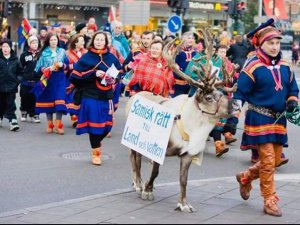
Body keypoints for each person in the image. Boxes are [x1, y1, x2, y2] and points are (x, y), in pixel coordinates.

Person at [234, 19, 299, 217]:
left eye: (277, 43)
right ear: (261, 44)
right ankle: (269, 199)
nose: (274, 47)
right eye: (270, 43)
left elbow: (293, 89)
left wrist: (292, 101)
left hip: (279, 119)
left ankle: (246, 177)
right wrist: (232, 117)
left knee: (276, 160)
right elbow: (240, 93)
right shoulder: (252, 66)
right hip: (259, 117)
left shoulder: (285, 66)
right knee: (269, 160)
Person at [70, 32, 122, 166]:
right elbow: (75, 76)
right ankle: (96, 153)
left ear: (106, 42)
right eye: (97, 39)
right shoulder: (87, 57)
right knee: (94, 126)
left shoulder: (111, 57)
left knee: (107, 126)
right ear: (93, 41)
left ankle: (96, 141)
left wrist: (113, 78)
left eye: (102, 40)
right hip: (90, 95)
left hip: (106, 96)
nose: (99, 42)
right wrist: (94, 73)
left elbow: (119, 73)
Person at [34, 32, 69, 135]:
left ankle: (58, 123)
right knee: (49, 100)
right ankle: (50, 123)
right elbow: (38, 67)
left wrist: (62, 65)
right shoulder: (44, 53)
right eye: (51, 40)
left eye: (55, 39)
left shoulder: (62, 51)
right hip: (48, 78)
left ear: (58, 40)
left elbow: (68, 65)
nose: (54, 42)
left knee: (60, 99)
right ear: (48, 41)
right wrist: (45, 69)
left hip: (60, 78)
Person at [0, 39, 23, 131]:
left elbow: (20, 72)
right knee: (0, 104)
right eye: (3, 46)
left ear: (11, 48)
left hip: (11, 87)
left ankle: (13, 120)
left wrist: (17, 81)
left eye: (7, 46)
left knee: (10, 104)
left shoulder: (15, 60)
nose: (5, 48)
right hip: (0, 86)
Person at [66, 34, 87, 128]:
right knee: (71, 98)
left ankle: (79, 117)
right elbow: (65, 66)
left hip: (83, 79)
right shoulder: (67, 53)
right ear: (75, 43)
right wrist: (73, 66)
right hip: (71, 79)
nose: (83, 42)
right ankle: (73, 117)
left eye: (83, 41)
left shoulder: (86, 53)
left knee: (81, 98)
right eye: (81, 41)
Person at [19, 35, 41, 123]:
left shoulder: (41, 54)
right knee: (24, 96)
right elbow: (20, 67)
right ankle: (24, 111)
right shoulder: (24, 54)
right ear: (29, 44)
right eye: (32, 42)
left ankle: (34, 114)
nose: (35, 44)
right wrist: (21, 77)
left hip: (36, 80)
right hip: (25, 80)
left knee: (34, 97)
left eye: (36, 42)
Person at [173, 31, 197, 97]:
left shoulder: (195, 53)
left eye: (192, 38)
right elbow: (173, 66)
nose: (191, 40)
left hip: (191, 85)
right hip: (179, 85)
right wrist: (179, 71)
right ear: (183, 39)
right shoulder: (177, 52)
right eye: (189, 38)